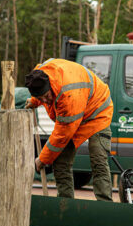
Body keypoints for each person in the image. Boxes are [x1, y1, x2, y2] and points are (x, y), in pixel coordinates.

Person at [24, 58, 114, 201]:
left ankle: (104, 205)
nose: (45, 101)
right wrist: (35, 101)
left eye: (46, 96)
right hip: (76, 112)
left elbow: (61, 136)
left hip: (97, 112)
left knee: (98, 161)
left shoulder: (68, 95)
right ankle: (65, 205)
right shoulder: (42, 73)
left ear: (50, 86)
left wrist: (42, 159)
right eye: (41, 98)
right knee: (60, 161)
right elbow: (43, 94)